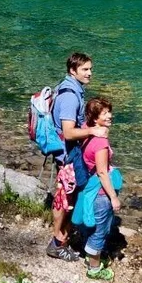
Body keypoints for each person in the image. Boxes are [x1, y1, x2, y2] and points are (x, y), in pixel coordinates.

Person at [49, 52, 106, 261]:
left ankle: (63, 236)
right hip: (68, 156)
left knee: (66, 195)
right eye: (85, 69)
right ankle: (58, 242)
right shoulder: (70, 97)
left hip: (67, 153)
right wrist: (94, 132)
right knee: (66, 197)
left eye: (90, 69)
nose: (90, 73)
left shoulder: (70, 88)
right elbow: (69, 131)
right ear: (73, 71)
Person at [72, 97, 122, 280]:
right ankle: (94, 268)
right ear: (95, 117)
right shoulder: (100, 142)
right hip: (100, 194)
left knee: (91, 226)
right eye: (105, 113)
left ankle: (89, 254)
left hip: (89, 189)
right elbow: (102, 173)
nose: (110, 116)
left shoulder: (87, 130)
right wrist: (113, 198)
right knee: (99, 232)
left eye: (109, 111)